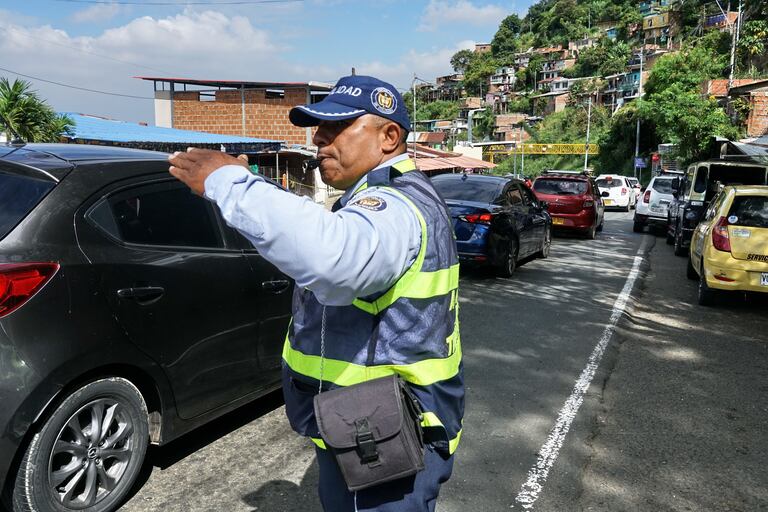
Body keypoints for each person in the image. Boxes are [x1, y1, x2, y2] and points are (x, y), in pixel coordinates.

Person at [168, 75, 464, 512]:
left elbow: (333, 257)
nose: (319, 140)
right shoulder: (378, 198)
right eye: (317, 129)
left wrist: (229, 182)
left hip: (389, 435)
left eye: (337, 128)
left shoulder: (395, 206)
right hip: (361, 423)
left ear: (388, 136)